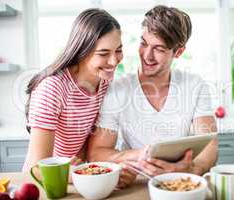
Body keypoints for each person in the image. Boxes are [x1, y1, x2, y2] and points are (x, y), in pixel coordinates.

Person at [87, 5, 218, 188]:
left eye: (159, 49)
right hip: (135, 184)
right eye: (143, 43)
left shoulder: (195, 86)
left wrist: (192, 170)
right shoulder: (117, 89)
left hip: (180, 183)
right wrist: (135, 159)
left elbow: (210, 143)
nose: (147, 55)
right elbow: (96, 153)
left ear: (178, 52)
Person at [23, 8, 123, 171]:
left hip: (79, 174)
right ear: (82, 51)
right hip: (48, 179)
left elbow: (91, 147)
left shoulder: (105, 84)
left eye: (118, 50)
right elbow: (36, 167)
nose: (113, 61)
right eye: (103, 53)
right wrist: (67, 171)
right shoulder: (53, 88)